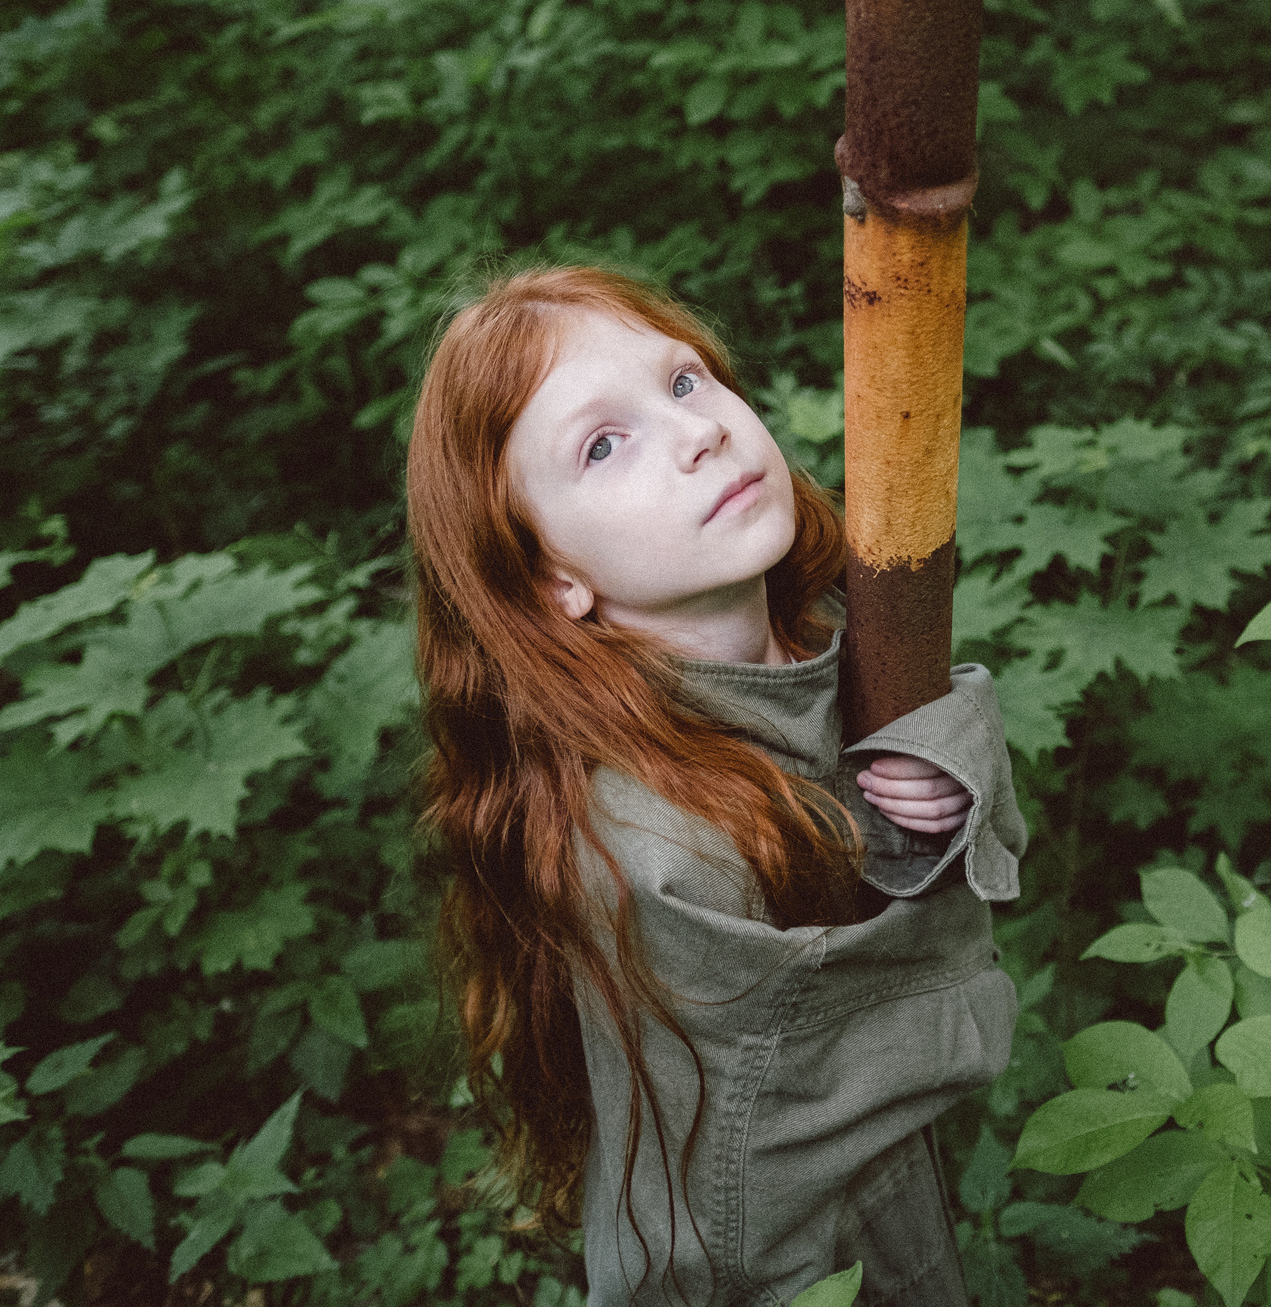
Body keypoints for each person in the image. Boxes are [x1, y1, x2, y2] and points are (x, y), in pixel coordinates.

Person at [407, 266, 1025, 1307]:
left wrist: (951, 759)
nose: (698, 433)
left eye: (684, 383)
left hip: (887, 1207)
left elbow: (858, 808)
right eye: (604, 445)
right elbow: (809, 1108)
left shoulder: (812, 645)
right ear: (549, 575)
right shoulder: (652, 851)